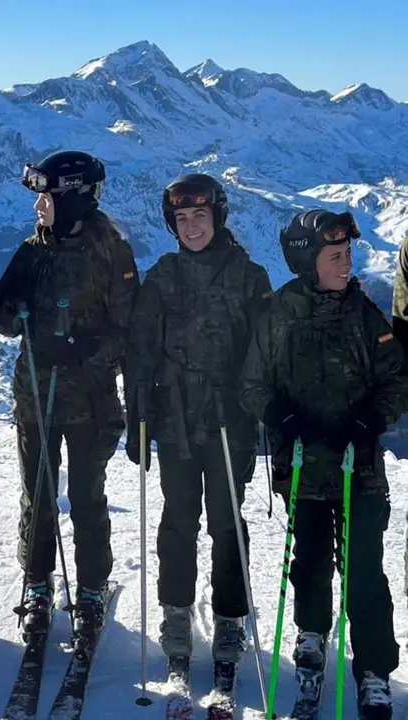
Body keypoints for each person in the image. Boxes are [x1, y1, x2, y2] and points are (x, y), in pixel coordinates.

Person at [241, 209, 404, 718]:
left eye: (348, 253)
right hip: (303, 471)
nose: (347, 263)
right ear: (308, 263)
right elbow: (252, 384)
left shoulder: (364, 313)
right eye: (336, 256)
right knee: (309, 566)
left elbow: (397, 378)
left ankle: (373, 669)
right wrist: (284, 418)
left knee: (364, 575)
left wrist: (369, 422)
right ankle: (312, 635)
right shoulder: (278, 314)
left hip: (361, 470)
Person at [124, 174, 272, 676]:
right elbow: (140, 349)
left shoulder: (249, 277)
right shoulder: (163, 275)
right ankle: (177, 610)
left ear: (218, 217)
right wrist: (137, 413)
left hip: (230, 416)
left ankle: (230, 613)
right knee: (178, 518)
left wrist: (258, 406)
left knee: (227, 520)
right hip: (176, 419)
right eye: (181, 219)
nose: (191, 227)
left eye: (200, 216)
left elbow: (263, 352)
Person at [0, 150, 139, 642]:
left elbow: (128, 327)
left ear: (72, 199)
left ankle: (92, 589)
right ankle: (37, 583)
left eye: (46, 196)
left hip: (91, 404)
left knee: (86, 496)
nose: (38, 206)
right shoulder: (34, 250)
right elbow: (4, 318)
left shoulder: (111, 252)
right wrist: (12, 310)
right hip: (36, 396)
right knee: (38, 496)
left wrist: (85, 350)